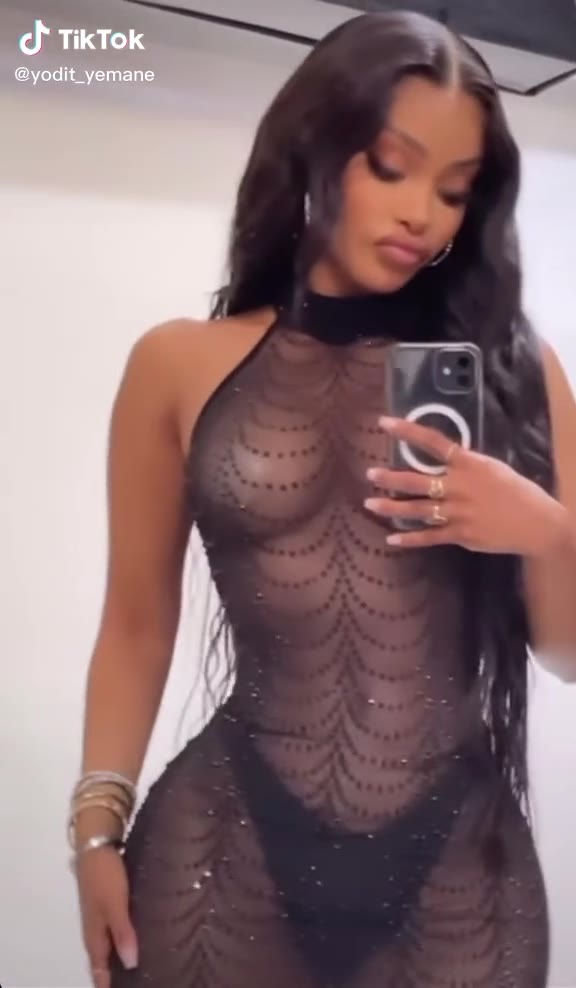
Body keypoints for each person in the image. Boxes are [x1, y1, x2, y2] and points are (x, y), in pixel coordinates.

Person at [71, 10, 576, 988]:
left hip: (458, 864)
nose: (423, 213)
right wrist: (96, 827)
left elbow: (569, 652)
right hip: (223, 848)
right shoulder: (178, 363)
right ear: (315, 142)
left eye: (455, 190)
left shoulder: (521, 373)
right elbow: (136, 621)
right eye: (392, 167)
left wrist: (547, 533)